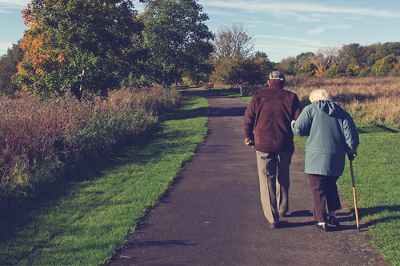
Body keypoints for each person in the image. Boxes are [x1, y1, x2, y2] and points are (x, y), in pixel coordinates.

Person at [291, 89, 359, 232]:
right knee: (331, 184)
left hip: (316, 157)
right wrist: (351, 148)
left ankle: (321, 220)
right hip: (336, 156)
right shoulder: (341, 112)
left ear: (313, 100)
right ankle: (333, 214)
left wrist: (292, 123)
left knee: (318, 188)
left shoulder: (310, 110)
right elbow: (350, 134)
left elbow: (299, 130)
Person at [244, 71, 302, 228]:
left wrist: (249, 136)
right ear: (283, 82)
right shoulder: (291, 97)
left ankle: (272, 217)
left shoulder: (258, 95)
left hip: (263, 143)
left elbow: (248, 118)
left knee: (266, 180)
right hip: (285, 143)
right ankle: (282, 207)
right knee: (283, 176)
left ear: (269, 82)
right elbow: (299, 120)